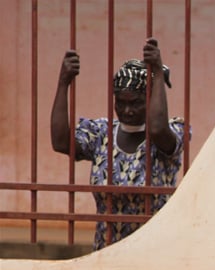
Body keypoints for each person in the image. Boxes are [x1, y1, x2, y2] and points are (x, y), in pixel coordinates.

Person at [49, 38, 186, 250]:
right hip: (106, 250)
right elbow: (60, 142)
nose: (127, 110)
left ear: (150, 99)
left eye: (136, 103)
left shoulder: (174, 130)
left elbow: (157, 128)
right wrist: (63, 83)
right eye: (120, 102)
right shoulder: (101, 132)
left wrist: (158, 74)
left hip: (153, 250)